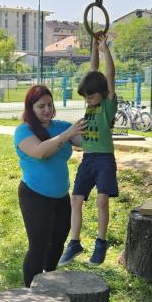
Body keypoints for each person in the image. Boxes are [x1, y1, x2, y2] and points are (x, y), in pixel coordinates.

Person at [14, 85, 87, 286]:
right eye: (41, 106)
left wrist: (101, 121)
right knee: (38, 247)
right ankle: (30, 292)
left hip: (61, 197)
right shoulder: (23, 131)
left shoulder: (61, 126)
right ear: (31, 108)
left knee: (57, 243)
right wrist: (67, 135)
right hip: (34, 196)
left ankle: (48, 281)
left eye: (50, 105)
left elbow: (86, 142)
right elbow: (40, 152)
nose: (47, 110)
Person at [59, 31, 118, 265]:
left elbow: (109, 74)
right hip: (88, 159)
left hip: (104, 160)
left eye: (90, 97)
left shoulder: (106, 106)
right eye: (85, 98)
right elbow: (93, 71)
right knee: (76, 199)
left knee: (102, 200)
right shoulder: (91, 104)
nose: (87, 101)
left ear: (102, 94)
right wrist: (94, 47)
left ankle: (100, 242)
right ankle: (74, 243)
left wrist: (106, 51)